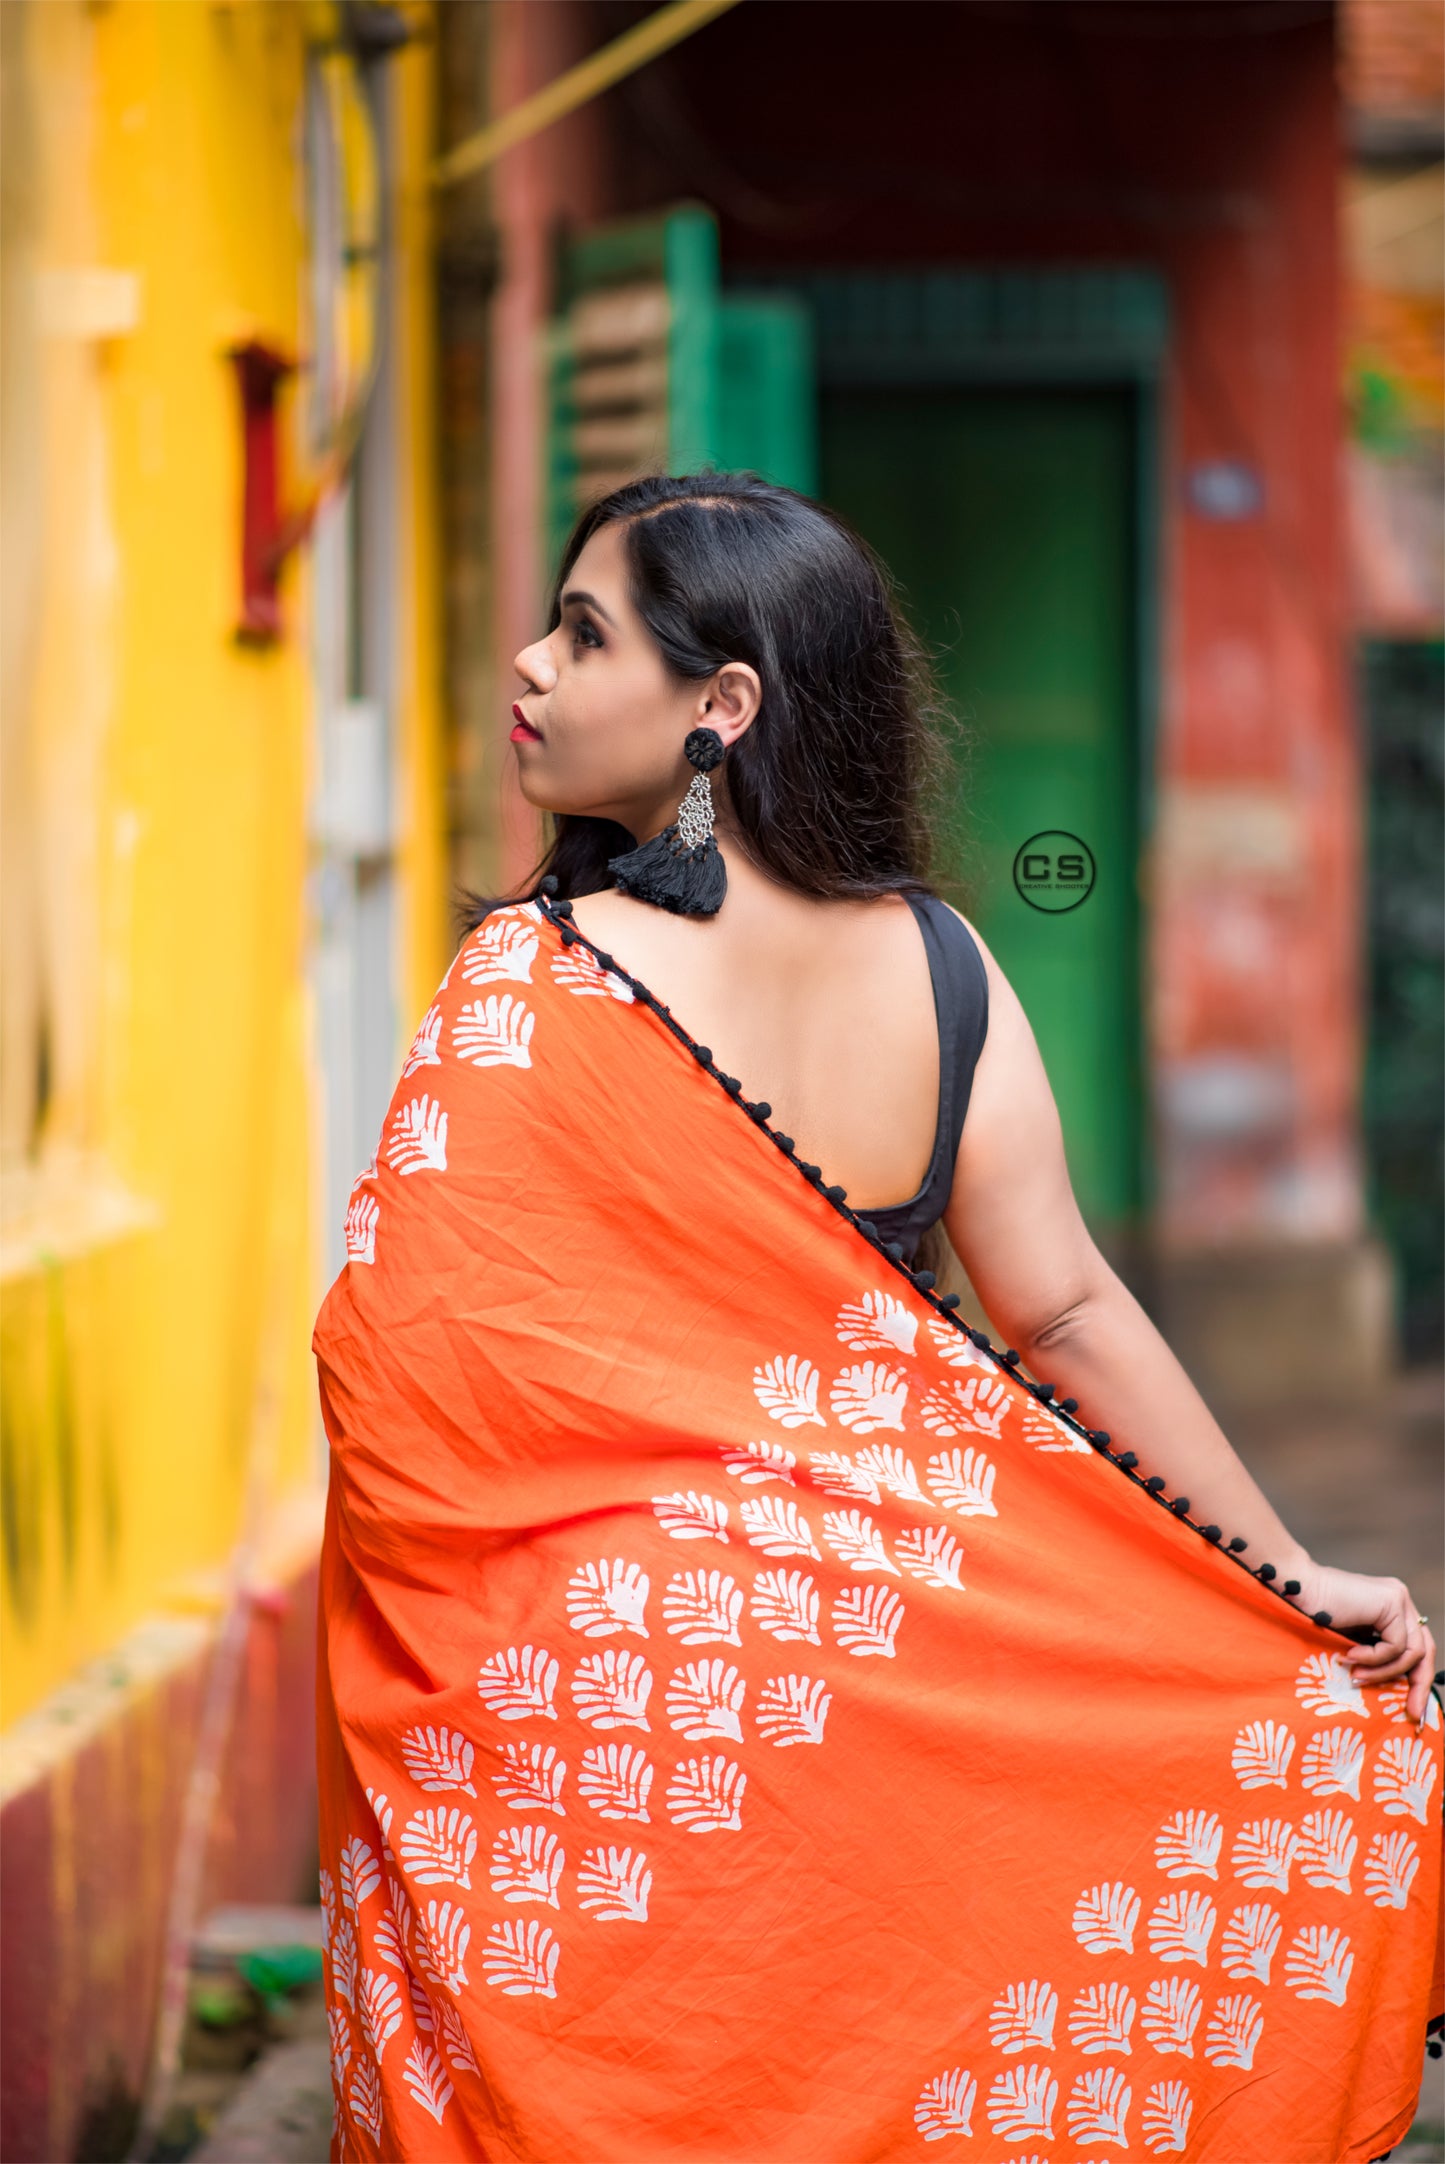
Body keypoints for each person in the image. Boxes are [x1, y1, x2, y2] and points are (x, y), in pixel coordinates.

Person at [313, 473, 1441, 2163]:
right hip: (883, 1716)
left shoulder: (527, 989)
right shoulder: (945, 968)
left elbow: (405, 1389)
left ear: (722, 707)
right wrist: (1280, 1579)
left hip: (634, 1748)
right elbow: (1059, 1309)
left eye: (581, 631)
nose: (525, 669)